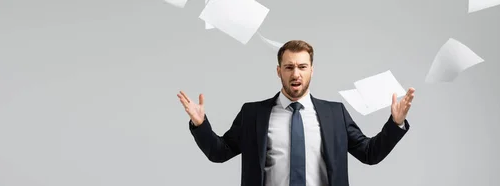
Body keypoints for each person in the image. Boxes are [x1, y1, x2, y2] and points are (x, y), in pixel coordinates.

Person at [177, 40, 415, 186]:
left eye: (302, 67)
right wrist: (201, 125)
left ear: (312, 70)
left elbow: (369, 153)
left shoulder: (335, 114)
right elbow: (220, 152)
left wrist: (395, 123)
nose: (296, 74)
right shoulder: (253, 114)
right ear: (279, 71)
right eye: (289, 67)